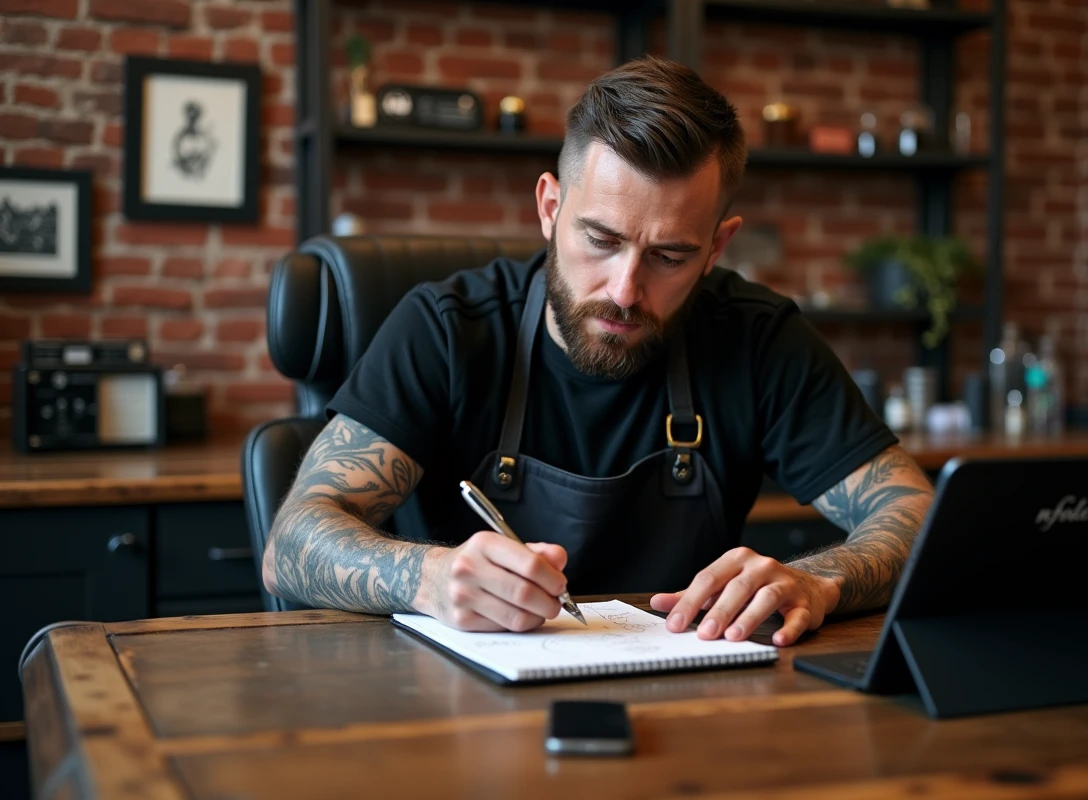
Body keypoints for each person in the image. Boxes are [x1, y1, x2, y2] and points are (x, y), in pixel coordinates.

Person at [261, 56, 934, 647]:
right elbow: (290, 544)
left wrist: (820, 580)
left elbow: (916, 516)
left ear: (717, 248)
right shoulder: (446, 329)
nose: (625, 289)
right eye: (601, 240)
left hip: (693, 706)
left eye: (670, 256)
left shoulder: (756, 338)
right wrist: (428, 577)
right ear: (550, 207)